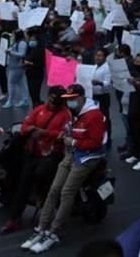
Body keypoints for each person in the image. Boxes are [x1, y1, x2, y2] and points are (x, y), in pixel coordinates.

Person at [23, 83, 107, 254]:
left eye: (73, 99)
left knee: (66, 192)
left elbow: (96, 143)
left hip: (87, 158)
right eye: (69, 100)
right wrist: (67, 137)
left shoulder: (94, 116)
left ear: (82, 97)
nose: (71, 102)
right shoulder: (76, 113)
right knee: (54, 189)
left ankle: (54, 231)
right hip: (72, 154)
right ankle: (41, 228)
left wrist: (73, 142)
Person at [0, 86, 72, 235]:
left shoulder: (66, 115)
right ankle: (14, 219)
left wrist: (45, 133)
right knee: (23, 184)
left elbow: (64, 134)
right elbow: (25, 125)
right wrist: (32, 130)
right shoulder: (39, 109)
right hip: (34, 153)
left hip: (52, 154)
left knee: (41, 175)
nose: (52, 103)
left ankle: (45, 211)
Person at [90, 48, 113, 149]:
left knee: (104, 117)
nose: (97, 58)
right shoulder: (94, 66)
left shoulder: (106, 68)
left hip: (102, 96)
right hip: (93, 95)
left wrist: (98, 82)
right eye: (96, 55)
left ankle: (108, 138)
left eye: (100, 56)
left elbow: (108, 84)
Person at [4, 30, 30, 109]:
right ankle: (25, 100)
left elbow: (22, 54)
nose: (12, 36)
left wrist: (11, 52)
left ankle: (10, 101)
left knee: (11, 83)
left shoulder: (22, 43)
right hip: (15, 66)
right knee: (20, 83)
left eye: (13, 35)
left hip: (17, 67)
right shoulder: (16, 42)